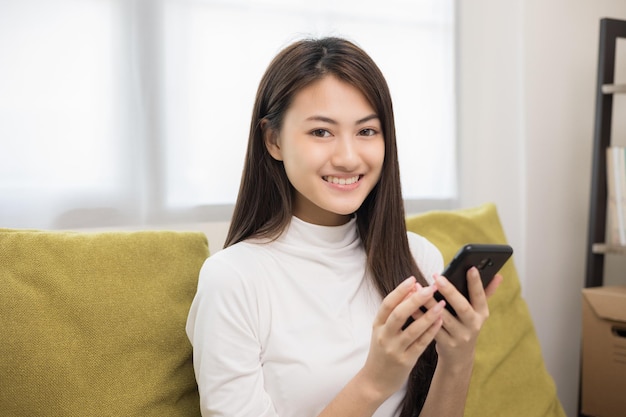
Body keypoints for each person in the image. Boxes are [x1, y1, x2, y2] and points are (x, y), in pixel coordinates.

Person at [186, 36, 502, 417]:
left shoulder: (417, 258)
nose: (349, 157)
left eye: (367, 131)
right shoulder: (233, 280)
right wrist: (373, 382)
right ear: (274, 141)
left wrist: (457, 356)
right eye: (322, 132)